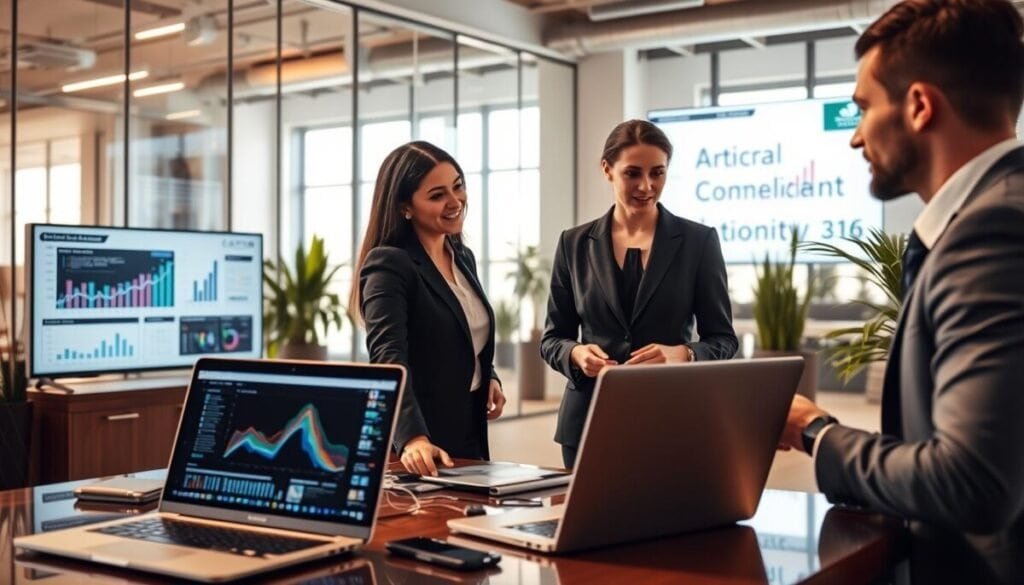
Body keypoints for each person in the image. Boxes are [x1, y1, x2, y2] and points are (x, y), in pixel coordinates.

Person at [777, 1, 1024, 582]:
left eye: (863, 107)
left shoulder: (990, 233)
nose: (856, 137)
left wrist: (816, 433)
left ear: (918, 106)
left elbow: (974, 483)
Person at [541, 120, 738, 468]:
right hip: (587, 421)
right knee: (590, 522)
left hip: (671, 421)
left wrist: (683, 353)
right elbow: (553, 338)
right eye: (633, 173)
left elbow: (722, 339)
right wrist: (576, 354)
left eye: (657, 173)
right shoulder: (573, 243)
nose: (646, 186)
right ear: (607, 169)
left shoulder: (699, 242)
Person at [351, 141, 506, 477]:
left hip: (469, 430)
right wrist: (411, 438)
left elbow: (462, 330)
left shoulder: (462, 256)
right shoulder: (389, 263)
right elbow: (388, 357)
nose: (455, 201)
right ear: (406, 206)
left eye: (458, 186)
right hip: (420, 443)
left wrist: (486, 374)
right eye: (437, 195)